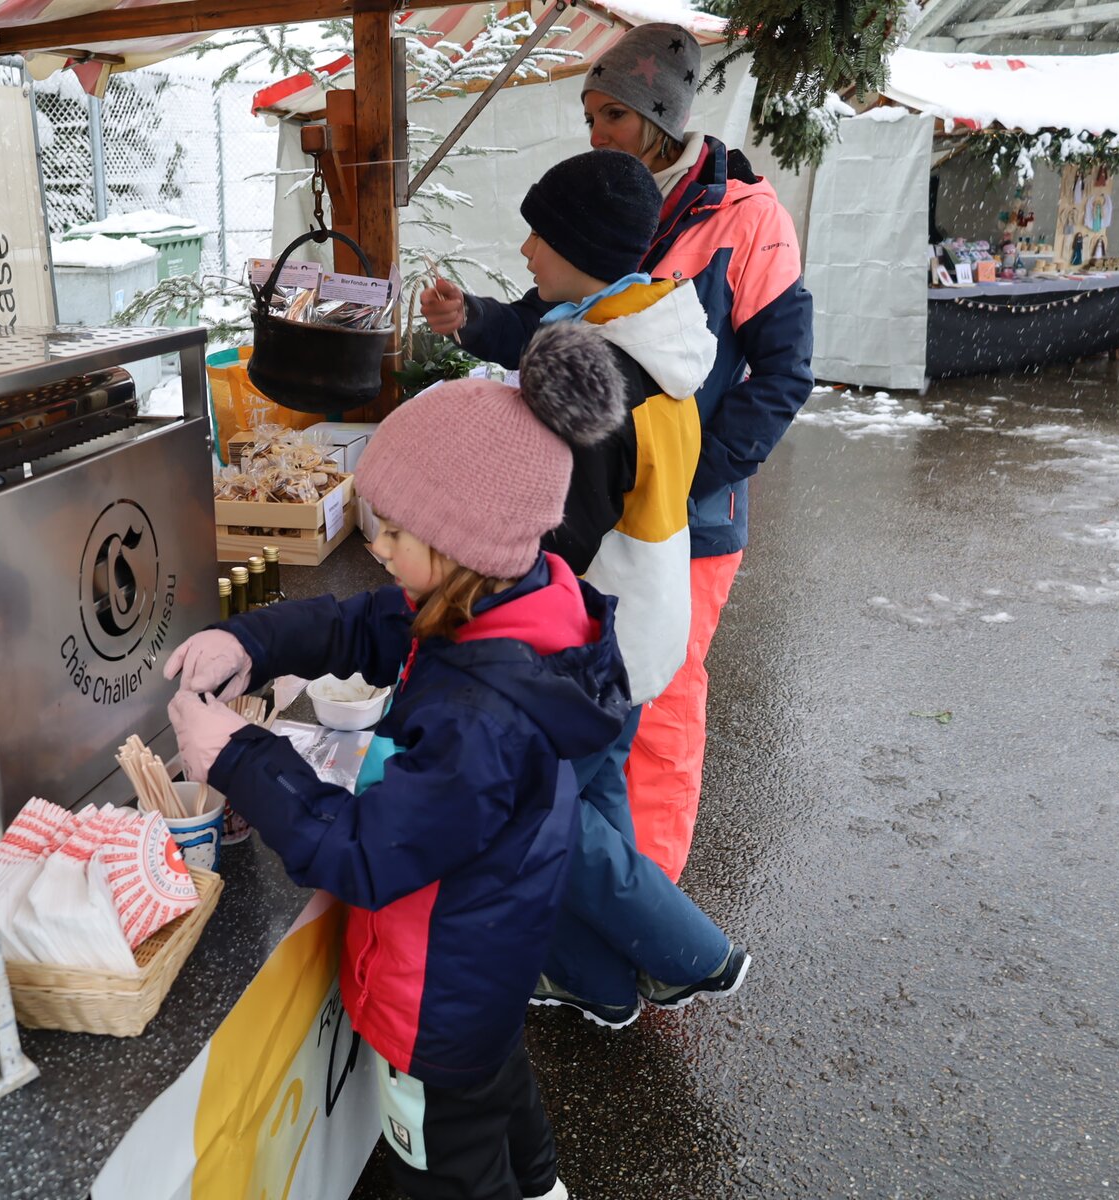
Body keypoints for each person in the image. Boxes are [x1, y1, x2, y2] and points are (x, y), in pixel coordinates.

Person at [162, 329, 633, 1200]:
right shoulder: (507, 604)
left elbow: (364, 857)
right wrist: (248, 639)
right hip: (486, 967)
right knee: (499, 1091)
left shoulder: (482, 714)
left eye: (392, 530)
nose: (375, 544)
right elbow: (358, 625)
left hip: (434, 997)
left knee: (449, 1164)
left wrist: (238, 753)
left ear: (460, 542)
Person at [421, 22, 815, 882]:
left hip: (690, 518)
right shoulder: (609, 197)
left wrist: (675, 479)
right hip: (591, 509)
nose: (597, 133)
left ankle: (651, 901)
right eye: (590, 115)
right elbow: (552, 316)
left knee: (662, 705)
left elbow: (785, 375)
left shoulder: (749, 217)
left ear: (663, 120)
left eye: (614, 117)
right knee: (595, 705)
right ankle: (597, 894)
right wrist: (474, 320)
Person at [495, 148, 748, 1030]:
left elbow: (563, 529)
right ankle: (593, 982)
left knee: (544, 814)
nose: (526, 248)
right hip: (643, 616)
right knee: (595, 796)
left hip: (588, 631)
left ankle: (690, 955)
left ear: (582, 248)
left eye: (541, 232)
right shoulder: (659, 329)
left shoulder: (590, 362)